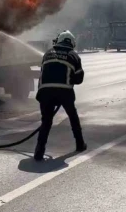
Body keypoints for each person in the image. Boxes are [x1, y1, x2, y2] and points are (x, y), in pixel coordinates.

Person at [34, 30, 87, 161]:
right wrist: (70, 78)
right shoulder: (74, 56)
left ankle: (38, 152)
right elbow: (79, 79)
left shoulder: (47, 54)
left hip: (44, 92)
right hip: (64, 92)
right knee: (73, 117)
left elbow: (43, 73)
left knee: (46, 122)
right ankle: (80, 144)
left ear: (59, 41)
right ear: (72, 43)